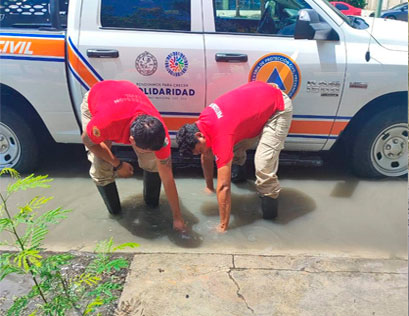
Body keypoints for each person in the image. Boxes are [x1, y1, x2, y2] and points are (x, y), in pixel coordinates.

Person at [176, 81, 292, 231]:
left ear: (199, 135)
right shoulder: (203, 121)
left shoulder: (221, 136)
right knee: (225, 150)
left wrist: (223, 226)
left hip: (278, 108)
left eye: (198, 150)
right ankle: (241, 178)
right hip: (260, 99)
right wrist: (209, 187)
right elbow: (206, 155)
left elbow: (224, 187)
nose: (201, 154)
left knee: (263, 166)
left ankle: (271, 219)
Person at [81, 80, 186, 231]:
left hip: (125, 93)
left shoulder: (159, 135)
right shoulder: (104, 124)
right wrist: (117, 164)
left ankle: (151, 206)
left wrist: (177, 217)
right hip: (98, 101)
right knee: (100, 167)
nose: (153, 152)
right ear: (131, 142)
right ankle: (116, 214)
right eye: (147, 150)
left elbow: (168, 178)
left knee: (154, 164)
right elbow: (87, 141)